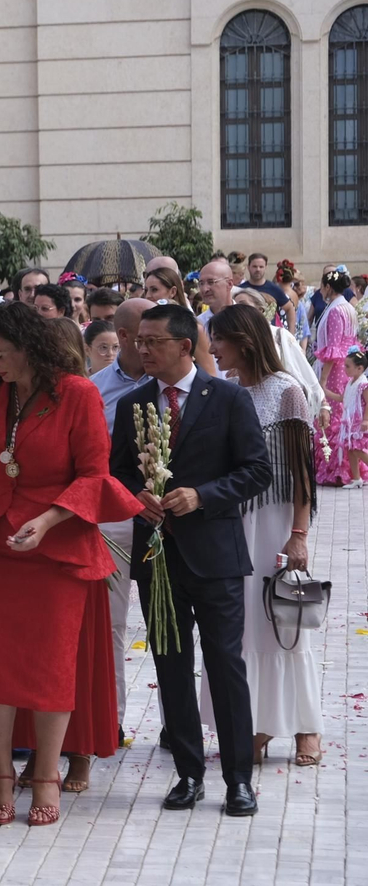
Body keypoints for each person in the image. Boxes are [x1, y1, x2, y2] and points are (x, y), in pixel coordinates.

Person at [0, 301, 141, 827]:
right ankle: (1, 777)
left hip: (57, 549)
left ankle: (47, 774)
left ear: (29, 346)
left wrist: (49, 520)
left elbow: (93, 474)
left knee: (53, 664)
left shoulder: (77, 393)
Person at [110, 302, 271, 817]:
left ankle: (239, 780)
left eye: (153, 342)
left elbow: (257, 470)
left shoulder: (227, 398)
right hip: (158, 557)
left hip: (216, 556)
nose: (142, 350)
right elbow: (117, 474)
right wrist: (137, 498)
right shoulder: (133, 403)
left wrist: (202, 495)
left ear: (184, 345)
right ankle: (187, 773)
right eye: (139, 341)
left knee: (225, 666)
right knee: (171, 666)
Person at [203, 304, 322, 766]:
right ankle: (254, 722)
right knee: (243, 625)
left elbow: (302, 470)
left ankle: (307, 727)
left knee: (284, 619)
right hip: (234, 521)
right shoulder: (226, 392)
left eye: (220, 339)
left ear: (245, 342)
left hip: (275, 519)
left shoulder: (287, 391)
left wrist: (299, 533)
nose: (213, 348)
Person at [90, 298, 152, 739]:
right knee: (112, 623)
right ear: (126, 336)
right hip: (112, 519)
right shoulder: (95, 389)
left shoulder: (175, 383)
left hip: (164, 517)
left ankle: (176, 724)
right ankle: (110, 719)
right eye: (147, 336)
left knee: (166, 623)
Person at [200, 259, 324, 416]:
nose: (205, 288)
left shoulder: (285, 388)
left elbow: (305, 375)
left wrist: (323, 404)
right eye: (201, 283)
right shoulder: (198, 324)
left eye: (211, 282)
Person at [313, 267, 362, 485]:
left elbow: (333, 348)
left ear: (328, 287)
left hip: (334, 370)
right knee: (342, 415)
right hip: (345, 368)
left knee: (332, 415)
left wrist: (322, 380)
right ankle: (347, 468)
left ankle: (336, 469)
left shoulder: (335, 310)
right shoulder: (348, 307)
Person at [246, 253, 296, 333]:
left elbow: (290, 308)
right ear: (248, 267)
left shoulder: (274, 289)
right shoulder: (241, 289)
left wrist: (291, 334)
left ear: (266, 267)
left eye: (261, 267)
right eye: (254, 266)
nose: (258, 269)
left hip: (269, 334)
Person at [340, 350, 368, 488]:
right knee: (350, 449)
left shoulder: (363, 384)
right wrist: (325, 392)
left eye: (347, 366)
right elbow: (343, 398)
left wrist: (366, 420)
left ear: (359, 368)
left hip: (359, 421)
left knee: (357, 449)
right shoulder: (351, 383)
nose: (344, 369)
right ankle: (356, 478)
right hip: (350, 421)